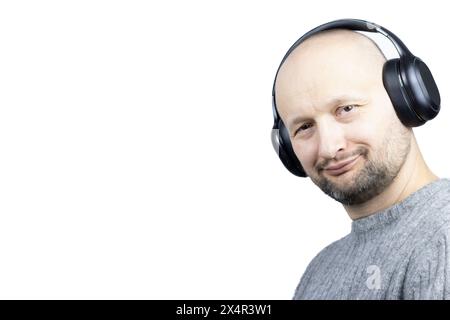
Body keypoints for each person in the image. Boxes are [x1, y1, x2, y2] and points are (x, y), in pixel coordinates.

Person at [271, 20, 450, 299]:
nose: (329, 147)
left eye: (346, 109)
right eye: (304, 127)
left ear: (405, 98)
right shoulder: (320, 271)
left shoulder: (443, 239)